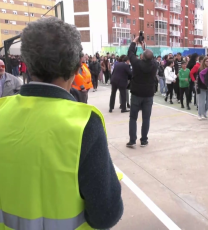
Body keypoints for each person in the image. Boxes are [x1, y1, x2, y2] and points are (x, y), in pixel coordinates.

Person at [0, 17, 123, 229]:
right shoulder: (84, 124)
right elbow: (105, 215)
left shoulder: (2, 110)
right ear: (77, 68)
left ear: (26, 64)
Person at [126, 36, 157, 148]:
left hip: (136, 94)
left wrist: (134, 42)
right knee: (146, 118)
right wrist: (144, 47)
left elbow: (130, 53)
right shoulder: (154, 65)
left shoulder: (137, 64)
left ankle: (132, 140)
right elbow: (150, 57)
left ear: (142, 56)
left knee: (133, 118)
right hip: (148, 95)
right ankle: (144, 140)